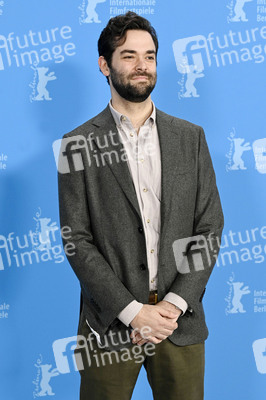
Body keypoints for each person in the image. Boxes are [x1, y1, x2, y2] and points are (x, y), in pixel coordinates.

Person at [58, 11, 224, 400]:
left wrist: (173, 305)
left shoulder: (191, 138)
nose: (142, 66)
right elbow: (76, 240)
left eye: (149, 56)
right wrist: (133, 312)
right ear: (105, 65)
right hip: (110, 328)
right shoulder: (77, 144)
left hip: (178, 324)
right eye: (129, 56)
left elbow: (210, 227)